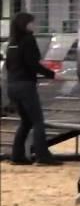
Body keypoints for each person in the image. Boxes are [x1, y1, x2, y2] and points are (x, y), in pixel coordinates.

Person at [5, 12, 63, 165]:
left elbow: (9, 65)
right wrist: (52, 75)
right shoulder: (28, 40)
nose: (35, 26)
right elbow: (33, 64)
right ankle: (42, 156)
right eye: (32, 23)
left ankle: (17, 156)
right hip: (25, 86)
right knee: (38, 121)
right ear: (26, 24)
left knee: (26, 121)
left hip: (12, 85)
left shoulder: (11, 42)